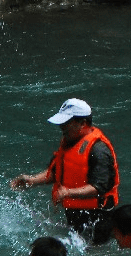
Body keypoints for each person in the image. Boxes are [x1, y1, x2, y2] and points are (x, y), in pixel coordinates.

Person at [11, 98, 120, 245]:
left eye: (66, 123)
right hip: (75, 212)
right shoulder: (69, 141)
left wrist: (69, 193)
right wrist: (32, 181)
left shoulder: (98, 150)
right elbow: (56, 172)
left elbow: (100, 187)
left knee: (94, 253)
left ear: (82, 123)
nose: (62, 127)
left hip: (97, 217)